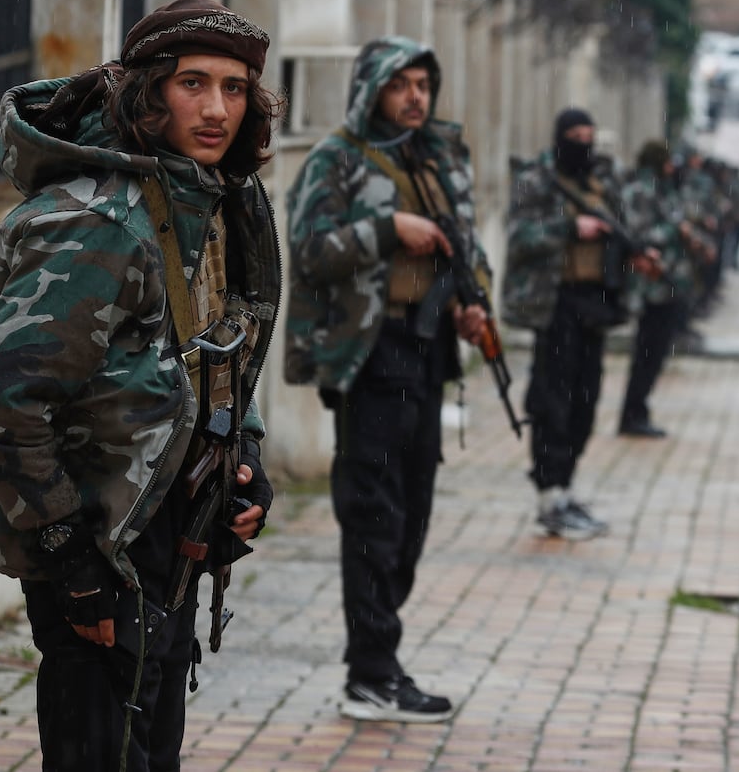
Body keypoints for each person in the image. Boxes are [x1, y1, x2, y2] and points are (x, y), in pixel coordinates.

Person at [0, 0, 283, 771]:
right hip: (100, 543)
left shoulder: (202, 199)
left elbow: (217, 351)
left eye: (234, 89)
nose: (215, 108)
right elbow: (1, 402)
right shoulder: (99, 221)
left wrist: (247, 464)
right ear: (148, 91)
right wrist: (69, 558)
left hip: (166, 539)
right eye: (192, 83)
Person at [283, 36, 492, 724]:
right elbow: (310, 250)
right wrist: (385, 229)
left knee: (413, 511)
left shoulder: (437, 156)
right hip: (369, 354)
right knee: (373, 512)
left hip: (427, 350)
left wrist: (473, 301)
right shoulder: (336, 160)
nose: (414, 97)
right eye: (400, 84)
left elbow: (468, 244)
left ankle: (377, 651)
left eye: (423, 84)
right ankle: (372, 669)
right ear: (372, 88)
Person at [503, 108, 657, 539]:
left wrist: (636, 255)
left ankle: (566, 489)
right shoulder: (537, 181)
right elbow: (519, 237)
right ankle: (549, 493)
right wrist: (570, 227)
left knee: (585, 402)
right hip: (554, 303)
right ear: (559, 137)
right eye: (574, 134)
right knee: (552, 401)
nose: (582, 142)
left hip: (595, 303)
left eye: (588, 135)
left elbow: (623, 229)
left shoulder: (602, 183)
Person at [615, 141, 712, 438]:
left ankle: (639, 410)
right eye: (667, 162)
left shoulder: (663, 189)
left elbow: (676, 220)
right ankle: (632, 414)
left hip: (669, 283)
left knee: (656, 353)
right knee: (646, 352)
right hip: (651, 285)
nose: (673, 167)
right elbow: (639, 234)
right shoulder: (641, 191)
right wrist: (675, 232)